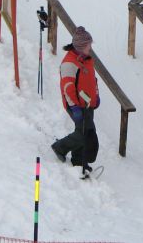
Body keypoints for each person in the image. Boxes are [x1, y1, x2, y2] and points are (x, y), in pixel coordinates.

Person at [51, 26, 100, 177]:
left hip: (87, 104)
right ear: (80, 47)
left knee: (87, 131)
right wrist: (75, 107)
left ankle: (79, 161)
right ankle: (60, 147)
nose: (90, 48)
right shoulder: (69, 63)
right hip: (76, 105)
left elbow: (93, 81)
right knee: (84, 132)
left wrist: (96, 96)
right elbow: (68, 87)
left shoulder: (87, 60)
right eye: (88, 45)